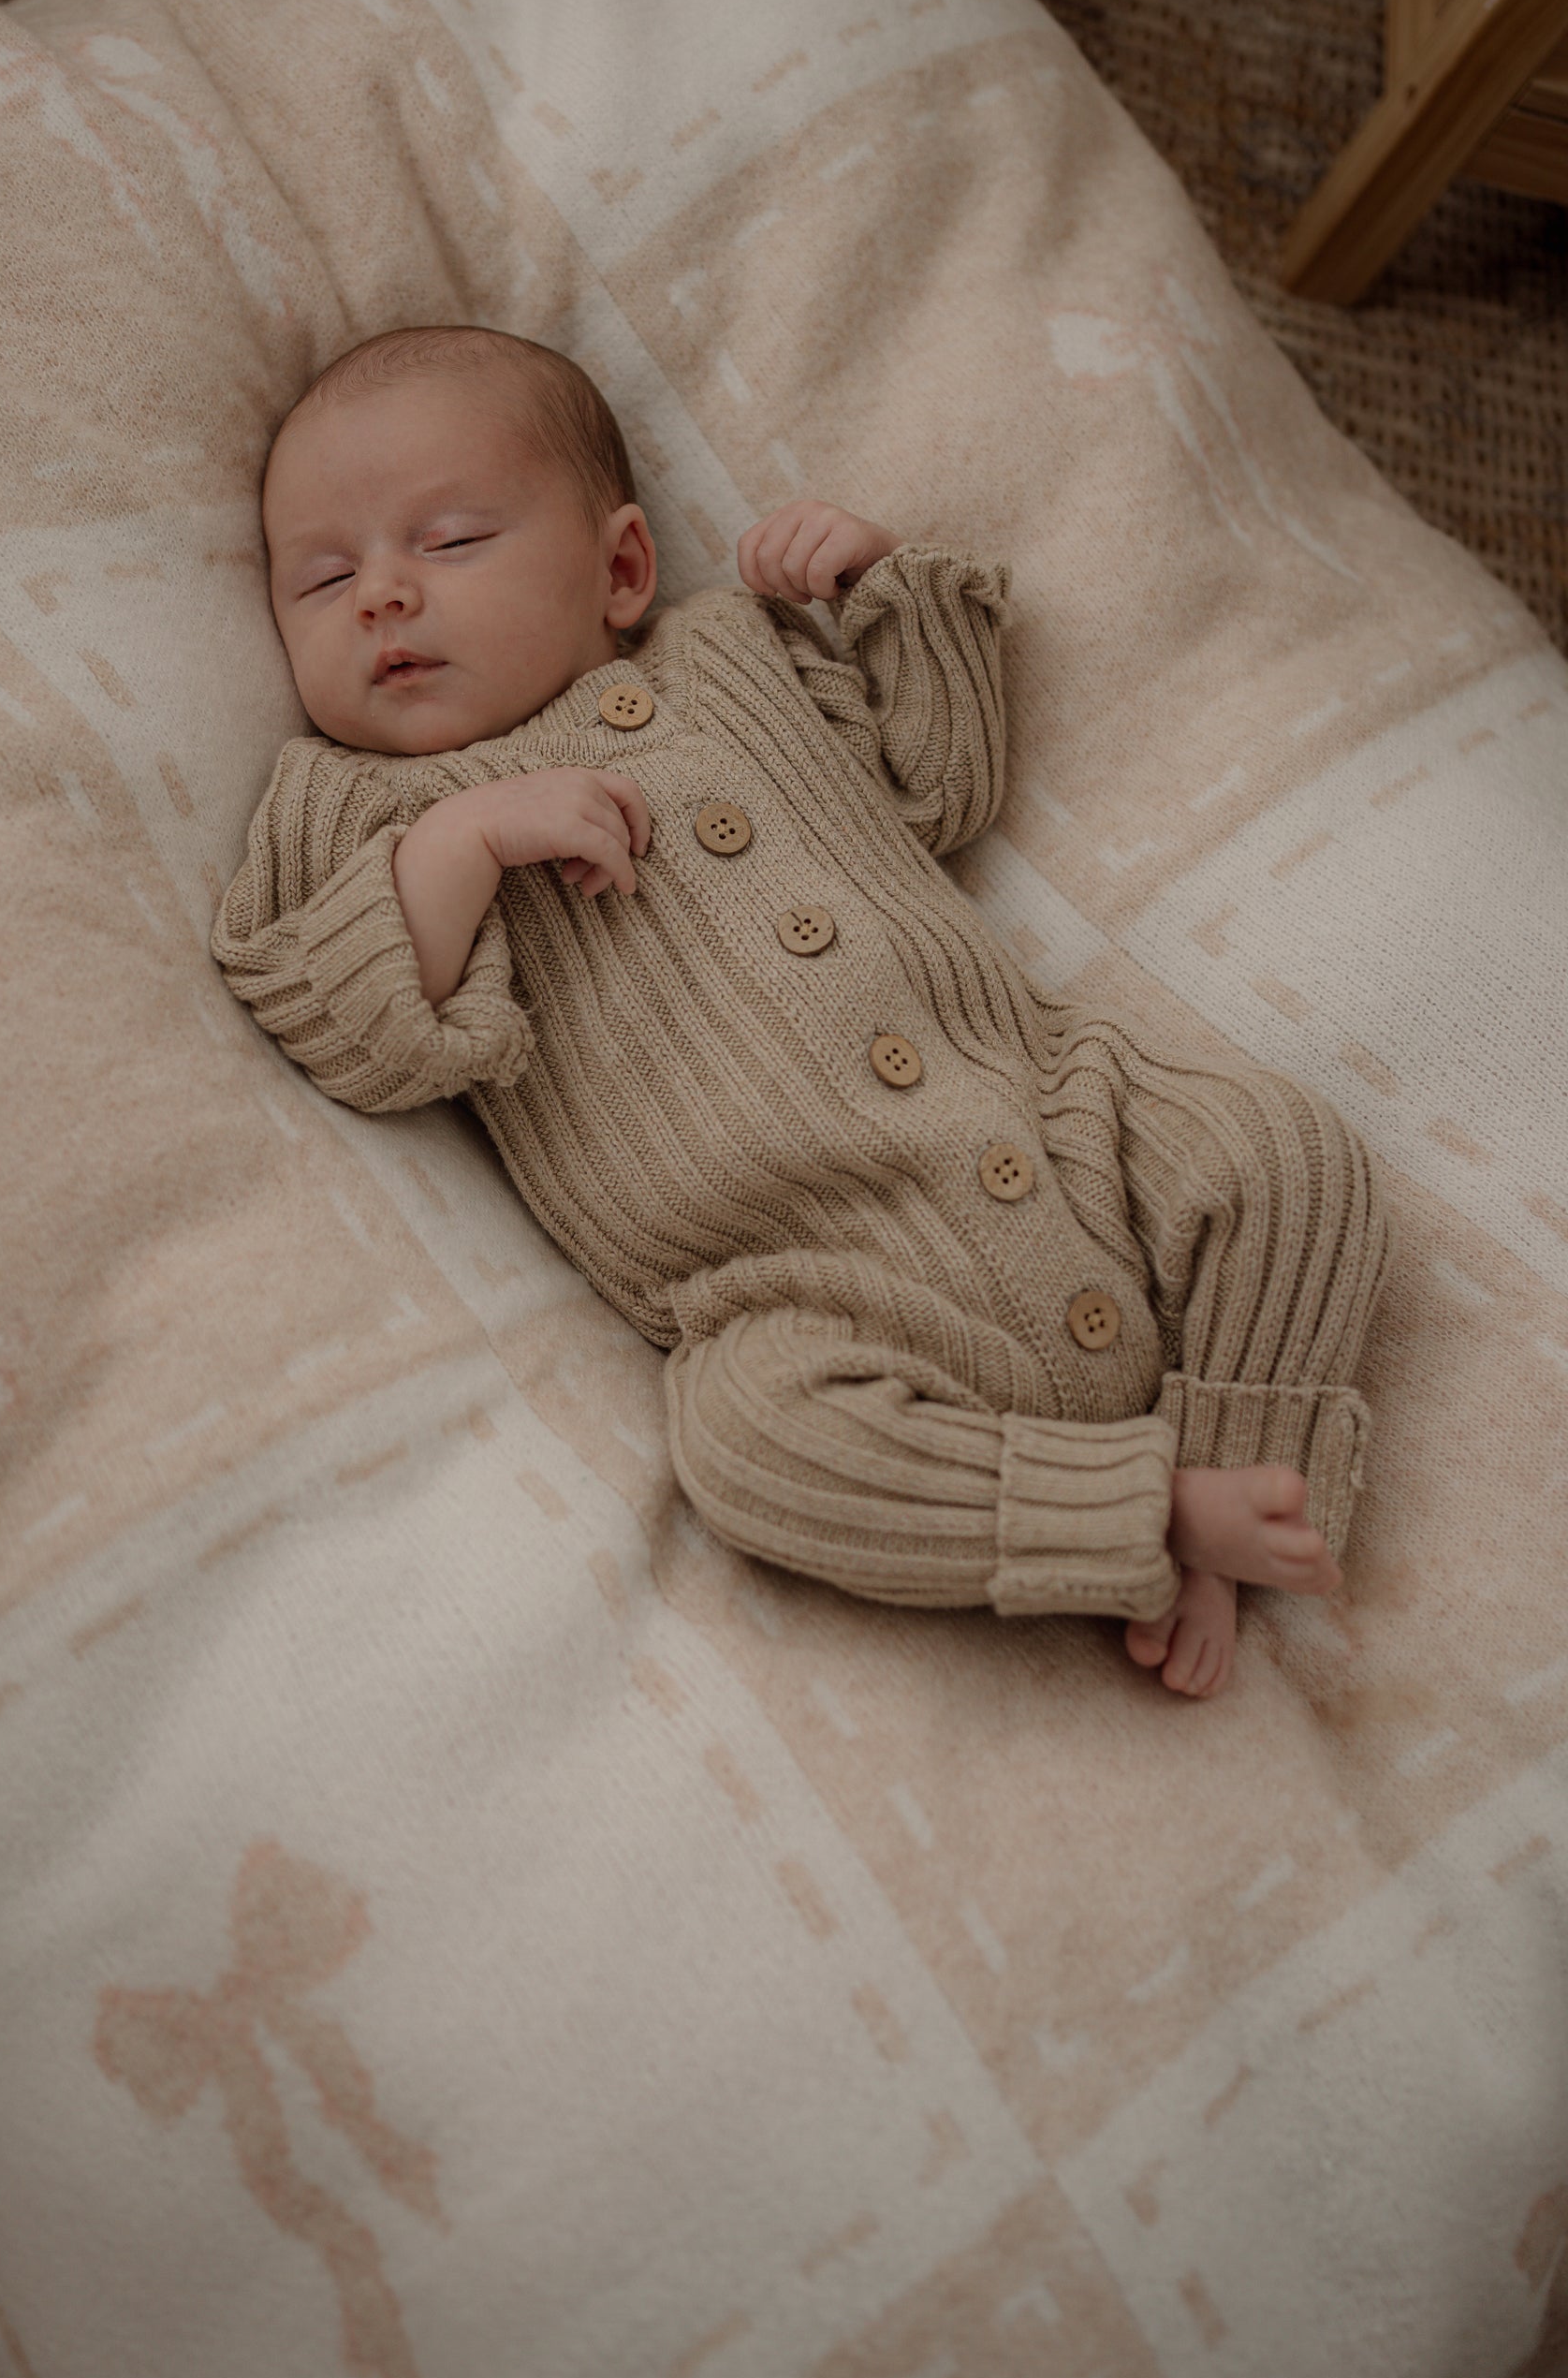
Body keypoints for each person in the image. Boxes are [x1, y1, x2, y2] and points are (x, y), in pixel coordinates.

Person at [213, 324, 1391, 1699]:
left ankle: (1246, 1467)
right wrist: (464, 844)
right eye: (325, 578)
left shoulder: (729, 657)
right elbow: (338, 1025)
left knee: (1281, 1155)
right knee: (747, 1450)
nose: (384, 599)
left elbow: (940, 785)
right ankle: (1135, 1512)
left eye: (453, 542)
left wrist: (886, 593)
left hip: (1048, 1109)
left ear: (623, 569)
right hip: (799, 1280)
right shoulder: (358, 807)